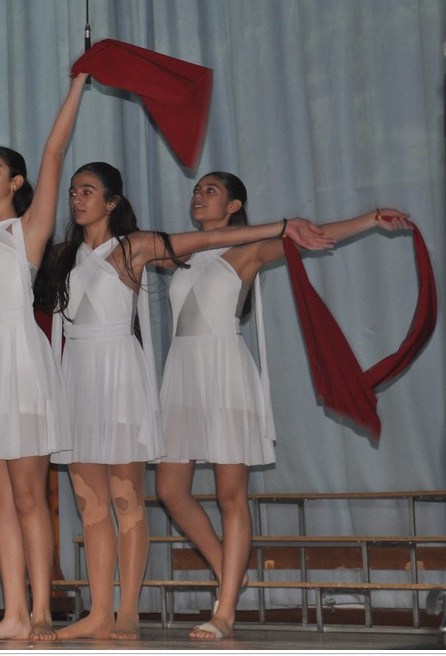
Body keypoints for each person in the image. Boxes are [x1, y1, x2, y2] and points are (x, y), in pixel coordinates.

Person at [33, 161, 331, 641]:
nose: (76, 198)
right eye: (73, 191)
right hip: (77, 378)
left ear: (112, 202)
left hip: (120, 376)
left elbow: (216, 240)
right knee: (90, 503)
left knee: (127, 498)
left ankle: (128, 612)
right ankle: (99, 611)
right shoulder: (64, 254)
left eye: (87, 190)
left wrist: (282, 226)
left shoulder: (135, 246)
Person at [154, 171, 412, 640]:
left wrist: (371, 218)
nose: (199, 195)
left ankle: (225, 611)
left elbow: (314, 234)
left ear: (234, 206)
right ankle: (229, 570)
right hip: (181, 376)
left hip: (225, 373)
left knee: (230, 494)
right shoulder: (180, 252)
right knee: (171, 489)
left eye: (211, 190)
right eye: (196, 189)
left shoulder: (249, 251)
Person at [0, 74, 88, 641]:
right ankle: (12, 613)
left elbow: (54, 151)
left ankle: (42, 611)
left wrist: (78, 83)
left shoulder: (27, 230)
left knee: (30, 496)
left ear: (16, 181)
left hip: (20, 360)